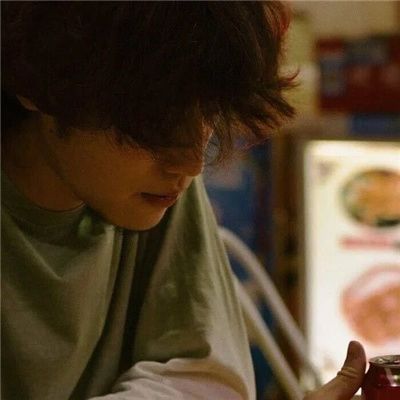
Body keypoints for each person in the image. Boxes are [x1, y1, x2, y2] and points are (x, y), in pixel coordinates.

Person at [1, 2, 366, 399]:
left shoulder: (150, 188)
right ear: (35, 78)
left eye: (210, 110)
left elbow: (207, 377)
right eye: (153, 119)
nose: (192, 163)